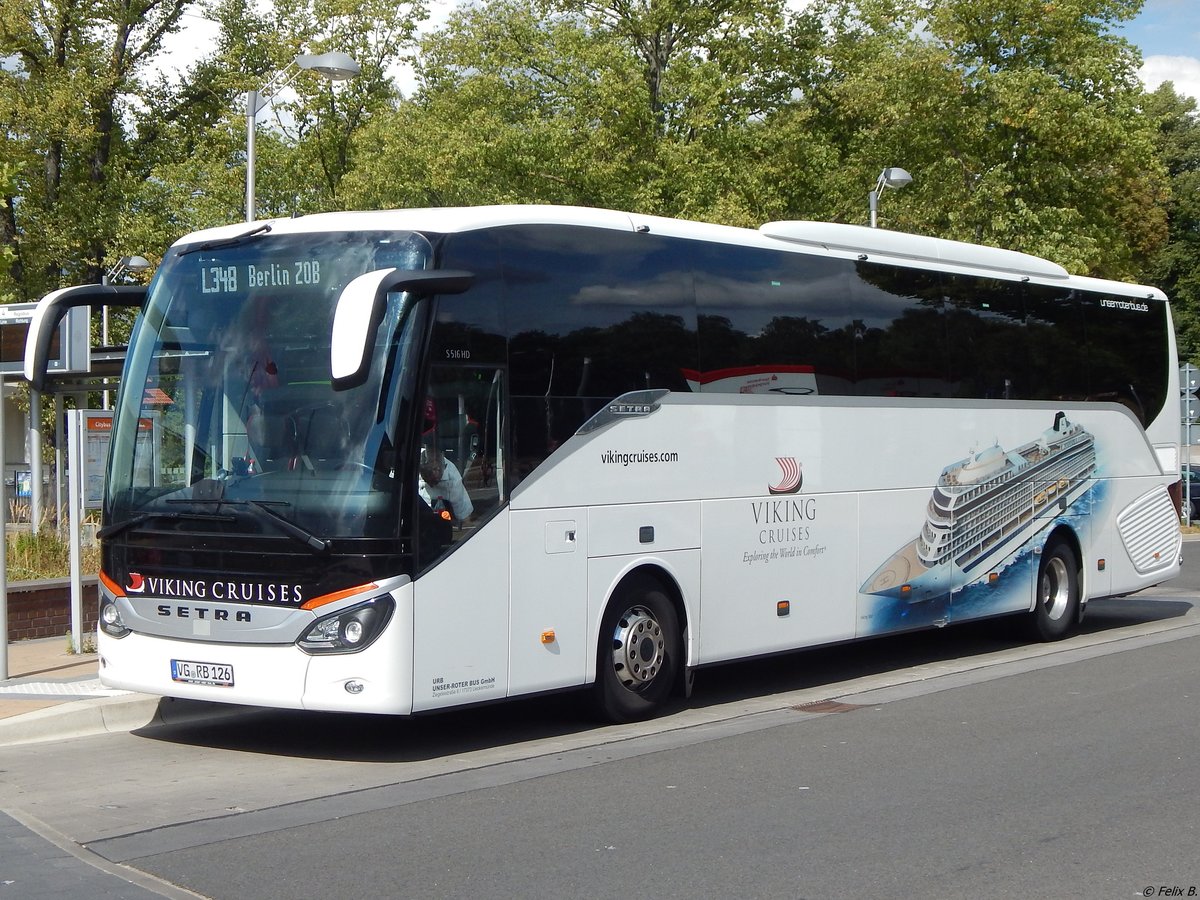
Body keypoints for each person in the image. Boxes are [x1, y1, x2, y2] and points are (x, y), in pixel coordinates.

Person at [419, 445, 474, 523]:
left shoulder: (452, 477)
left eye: (435, 481)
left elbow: (465, 517)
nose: (431, 485)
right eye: (427, 479)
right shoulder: (410, 462)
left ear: (443, 468)